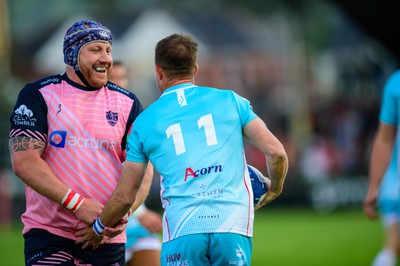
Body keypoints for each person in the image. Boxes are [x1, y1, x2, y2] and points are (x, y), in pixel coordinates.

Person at [76, 33, 289, 266]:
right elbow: (276, 153)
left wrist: (98, 228)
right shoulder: (231, 101)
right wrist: (275, 189)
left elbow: (125, 195)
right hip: (232, 228)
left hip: (182, 231)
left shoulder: (143, 123)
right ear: (195, 69)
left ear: (158, 72)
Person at [8, 19, 153, 265]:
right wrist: (77, 204)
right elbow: (24, 162)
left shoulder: (128, 103)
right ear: (72, 55)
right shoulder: (39, 95)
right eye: (95, 50)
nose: (106, 58)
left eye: (108, 50)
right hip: (49, 235)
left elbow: (142, 169)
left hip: (107, 238)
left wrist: (114, 216)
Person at [109, 61, 163, 266]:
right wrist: (140, 213)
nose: (118, 83)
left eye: (122, 78)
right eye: (112, 78)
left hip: (133, 223)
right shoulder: (91, 121)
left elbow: (141, 172)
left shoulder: (135, 118)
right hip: (102, 224)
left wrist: (139, 212)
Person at [364, 70, 400, 266]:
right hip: (394, 184)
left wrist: (374, 187)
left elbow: (384, 140)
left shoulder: (395, 83)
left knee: (391, 246)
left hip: (394, 185)